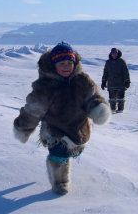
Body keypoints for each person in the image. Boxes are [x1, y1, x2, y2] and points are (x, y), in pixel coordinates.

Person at [13, 42, 111, 195]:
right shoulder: (45, 87)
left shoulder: (83, 81)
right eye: (61, 63)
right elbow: (33, 110)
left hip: (78, 129)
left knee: (71, 154)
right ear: (54, 65)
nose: (66, 66)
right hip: (55, 132)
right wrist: (23, 127)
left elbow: (92, 97)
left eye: (69, 62)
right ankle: (60, 182)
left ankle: (59, 166)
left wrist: (97, 108)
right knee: (59, 157)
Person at [101, 47, 130, 113]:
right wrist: (103, 82)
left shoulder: (121, 61)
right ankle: (112, 109)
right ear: (111, 54)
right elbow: (105, 72)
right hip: (111, 83)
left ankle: (120, 109)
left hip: (120, 83)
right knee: (112, 98)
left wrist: (127, 81)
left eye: (115, 53)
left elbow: (126, 72)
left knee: (120, 98)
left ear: (117, 53)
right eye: (113, 53)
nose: (114, 55)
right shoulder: (108, 62)